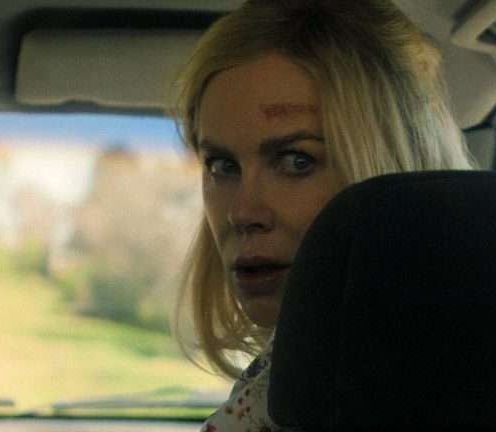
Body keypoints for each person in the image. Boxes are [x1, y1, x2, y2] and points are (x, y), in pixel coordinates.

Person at [171, 0, 475, 430]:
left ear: (396, 166)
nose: (241, 212)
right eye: (222, 166)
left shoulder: (420, 393)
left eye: (297, 161)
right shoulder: (294, 382)